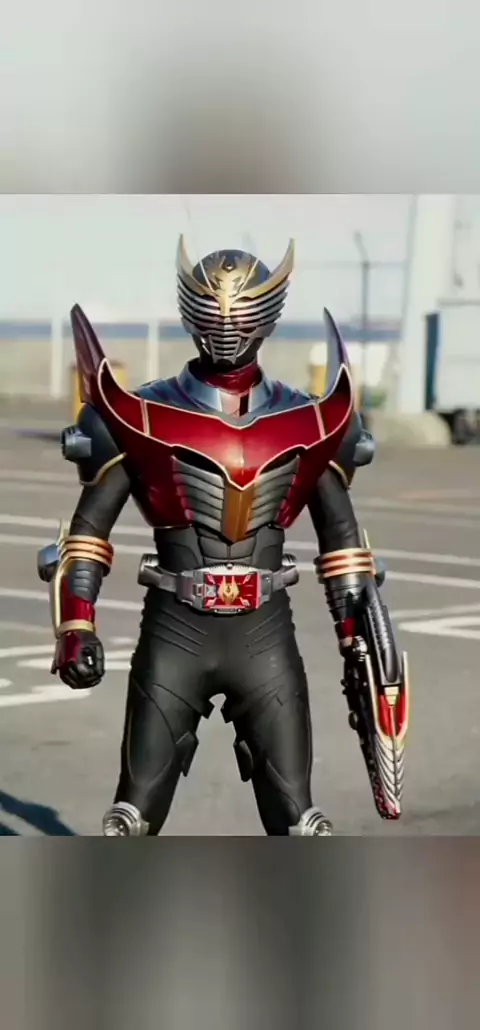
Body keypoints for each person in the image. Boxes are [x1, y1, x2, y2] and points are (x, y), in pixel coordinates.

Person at [37, 237, 408, 836]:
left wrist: (360, 645)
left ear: (269, 313)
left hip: (264, 636)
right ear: (191, 312)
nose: (227, 327)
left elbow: (342, 548)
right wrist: (75, 625)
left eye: (241, 314)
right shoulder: (137, 414)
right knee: (132, 818)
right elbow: (87, 535)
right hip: (176, 632)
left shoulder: (314, 419)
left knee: (299, 821)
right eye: (213, 312)